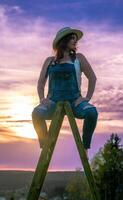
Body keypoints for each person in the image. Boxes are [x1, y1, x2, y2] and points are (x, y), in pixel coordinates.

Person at [32, 27, 99, 160]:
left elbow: (92, 77)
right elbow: (40, 83)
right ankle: (45, 149)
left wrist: (86, 98)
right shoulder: (49, 61)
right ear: (63, 40)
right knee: (36, 113)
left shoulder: (79, 58)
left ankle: (85, 148)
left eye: (76, 39)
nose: (75, 41)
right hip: (52, 101)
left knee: (92, 112)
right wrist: (41, 98)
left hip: (75, 101)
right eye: (72, 38)